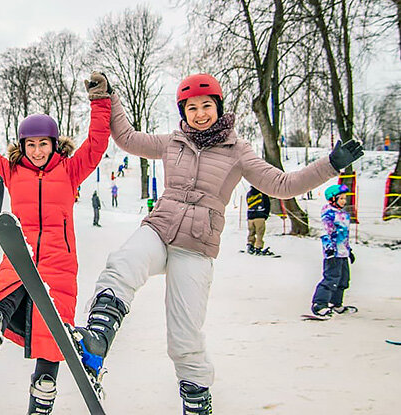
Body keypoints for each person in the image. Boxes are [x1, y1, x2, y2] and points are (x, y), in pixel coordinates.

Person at [71, 73, 363, 415]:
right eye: (191, 107)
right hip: (160, 227)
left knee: (185, 336)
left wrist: (330, 165)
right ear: (183, 111)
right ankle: (98, 336)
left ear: (218, 107)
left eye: (206, 106)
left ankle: (197, 402)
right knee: (123, 263)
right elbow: (128, 139)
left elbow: (282, 184)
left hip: (196, 246)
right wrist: (106, 98)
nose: (199, 113)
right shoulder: (172, 141)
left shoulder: (238, 152)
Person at [0, 71, 111, 414]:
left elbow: (97, 144)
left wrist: (100, 102)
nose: (37, 150)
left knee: (53, 337)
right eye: (30, 145)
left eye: (43, 144)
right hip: (20, 256)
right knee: (2, 299)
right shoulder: (12, 171)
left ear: (54, 144)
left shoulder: (70, 170)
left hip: (59, 266)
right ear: (22, 146)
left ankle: (42, 396)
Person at [310, 184, 357, 317]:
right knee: (331, 278)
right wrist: (329, 249)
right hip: (333, 253)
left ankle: (336, 304)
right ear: (332, 199)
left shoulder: (343, 214)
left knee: (343, 279)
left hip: (343, 252)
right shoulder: (329, 214)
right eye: (341, 198)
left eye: (344, 198)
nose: (344, 201)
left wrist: (349, 250)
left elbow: (344, 235)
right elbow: (326, 233)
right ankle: (319, 304)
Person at [245, 186, 272, 255]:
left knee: (251, 232)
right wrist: (265, 215)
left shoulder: (249, 194)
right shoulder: (262, 193)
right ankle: (258, 247)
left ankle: (250, 244)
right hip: (259, 216)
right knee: (260, 233)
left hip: (250, 216)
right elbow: (267, 204)